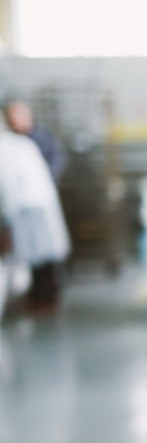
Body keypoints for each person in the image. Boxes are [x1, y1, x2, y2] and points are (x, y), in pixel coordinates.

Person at [0, 119, 70, 315]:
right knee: (41, 254)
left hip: (27, 205)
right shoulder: (17, 144)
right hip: (33, 203)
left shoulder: (7, 147)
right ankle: (39, 299)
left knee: (39, 256)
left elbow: (7, 185)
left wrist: (5, 215)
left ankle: (43, 301)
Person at [4, 100, 67, 184]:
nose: (14, 122)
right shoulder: (9, 141)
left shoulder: (44, 138)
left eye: (16, 118)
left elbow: (57, 160)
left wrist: (41, 178)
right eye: (11, 120)